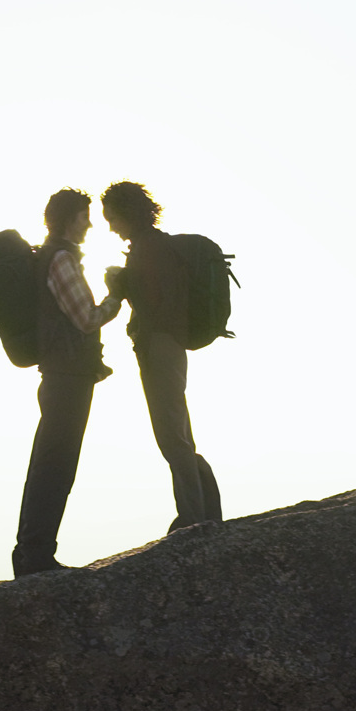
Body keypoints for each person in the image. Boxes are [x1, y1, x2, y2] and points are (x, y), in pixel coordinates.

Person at [12, 188, 122, 577]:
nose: (90, 224)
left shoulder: (52, 256)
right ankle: (36, 553)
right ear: (69, 218)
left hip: (61, 373)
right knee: (56, 464)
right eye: (84, 216)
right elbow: (86, 318)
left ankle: (32, 550)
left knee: (49, 461)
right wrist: (116, 298)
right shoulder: (61, 259)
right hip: (68, 375)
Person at [100, 180, 222, 534]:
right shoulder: (153, 245)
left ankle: (194, 518)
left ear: (126, 214)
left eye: (112, 217)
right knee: (178, 430)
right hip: (167, 344)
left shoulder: (150, 249)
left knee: (171, 434)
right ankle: (204, 510)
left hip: (160, 346)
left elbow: (158, 302)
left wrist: (120, 286)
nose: (110, 226)